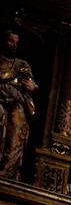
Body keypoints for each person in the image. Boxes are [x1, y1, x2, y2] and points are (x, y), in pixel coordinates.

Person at [0, 30, 37, 179]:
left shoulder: (22, 64)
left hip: (16, 100)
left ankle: (7, 171)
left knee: (18, 126)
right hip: (1, 97)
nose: (13, 45)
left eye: (16, 42)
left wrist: (31, 86)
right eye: (10, 41)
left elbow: (32, 84)